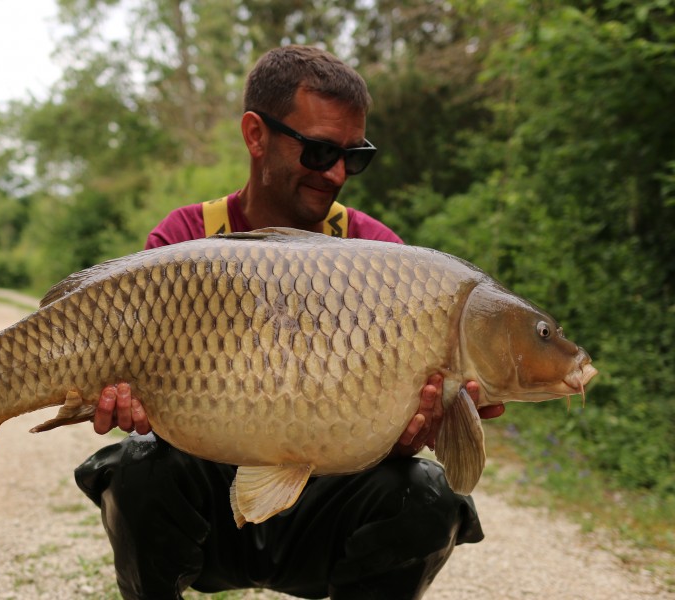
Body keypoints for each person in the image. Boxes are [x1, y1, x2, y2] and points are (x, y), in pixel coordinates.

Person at [74, 45, 505, 600]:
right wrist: (127, 406)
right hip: (212, 511)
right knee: (136, 469)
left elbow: (396, 447)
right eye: (320, 150)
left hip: (327, 515)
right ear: (256, 135)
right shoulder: (185, 238)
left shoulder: (381, 255)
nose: (336, 174)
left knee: (429, 495)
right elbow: (146, 409)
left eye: (355, 156)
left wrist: (413, 432)